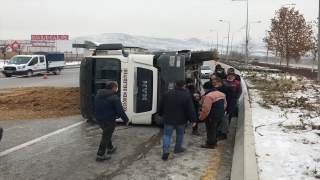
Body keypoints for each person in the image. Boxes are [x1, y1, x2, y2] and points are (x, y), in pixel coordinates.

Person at [158, 79, 197, 160]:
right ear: (184, 86)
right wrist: (193, 120)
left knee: (167, 134)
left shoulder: (167, 94)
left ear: (175, 85)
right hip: (181, 119)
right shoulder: (186, 96)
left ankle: (165, 149)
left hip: (168, 117)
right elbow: (190, 109)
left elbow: (161, 105)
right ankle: (178, 148)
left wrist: (160, 114)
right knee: (180, 133)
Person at [93, 81, 129, 161]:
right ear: (113, 88)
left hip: (98, 118)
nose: (117, 88)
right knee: (106, 136)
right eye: (116, 87)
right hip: (109, 119)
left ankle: (110, 147)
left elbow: (94, 106)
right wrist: (126, 120)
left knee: (107, 133)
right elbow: (120, 110)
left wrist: (94, 115)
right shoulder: (114, 97)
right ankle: (100, 155)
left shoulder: (98, 94)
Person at [199, 82, 227, 149]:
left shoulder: (209, 96)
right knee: (216, 129)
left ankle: (210, 144)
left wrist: (201, 117)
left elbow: (206, 108)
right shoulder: (221, 94)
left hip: (211, 117)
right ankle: (215, 141)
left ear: (205, 89)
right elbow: (225, 105)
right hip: (220, 115)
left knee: (211, 130)